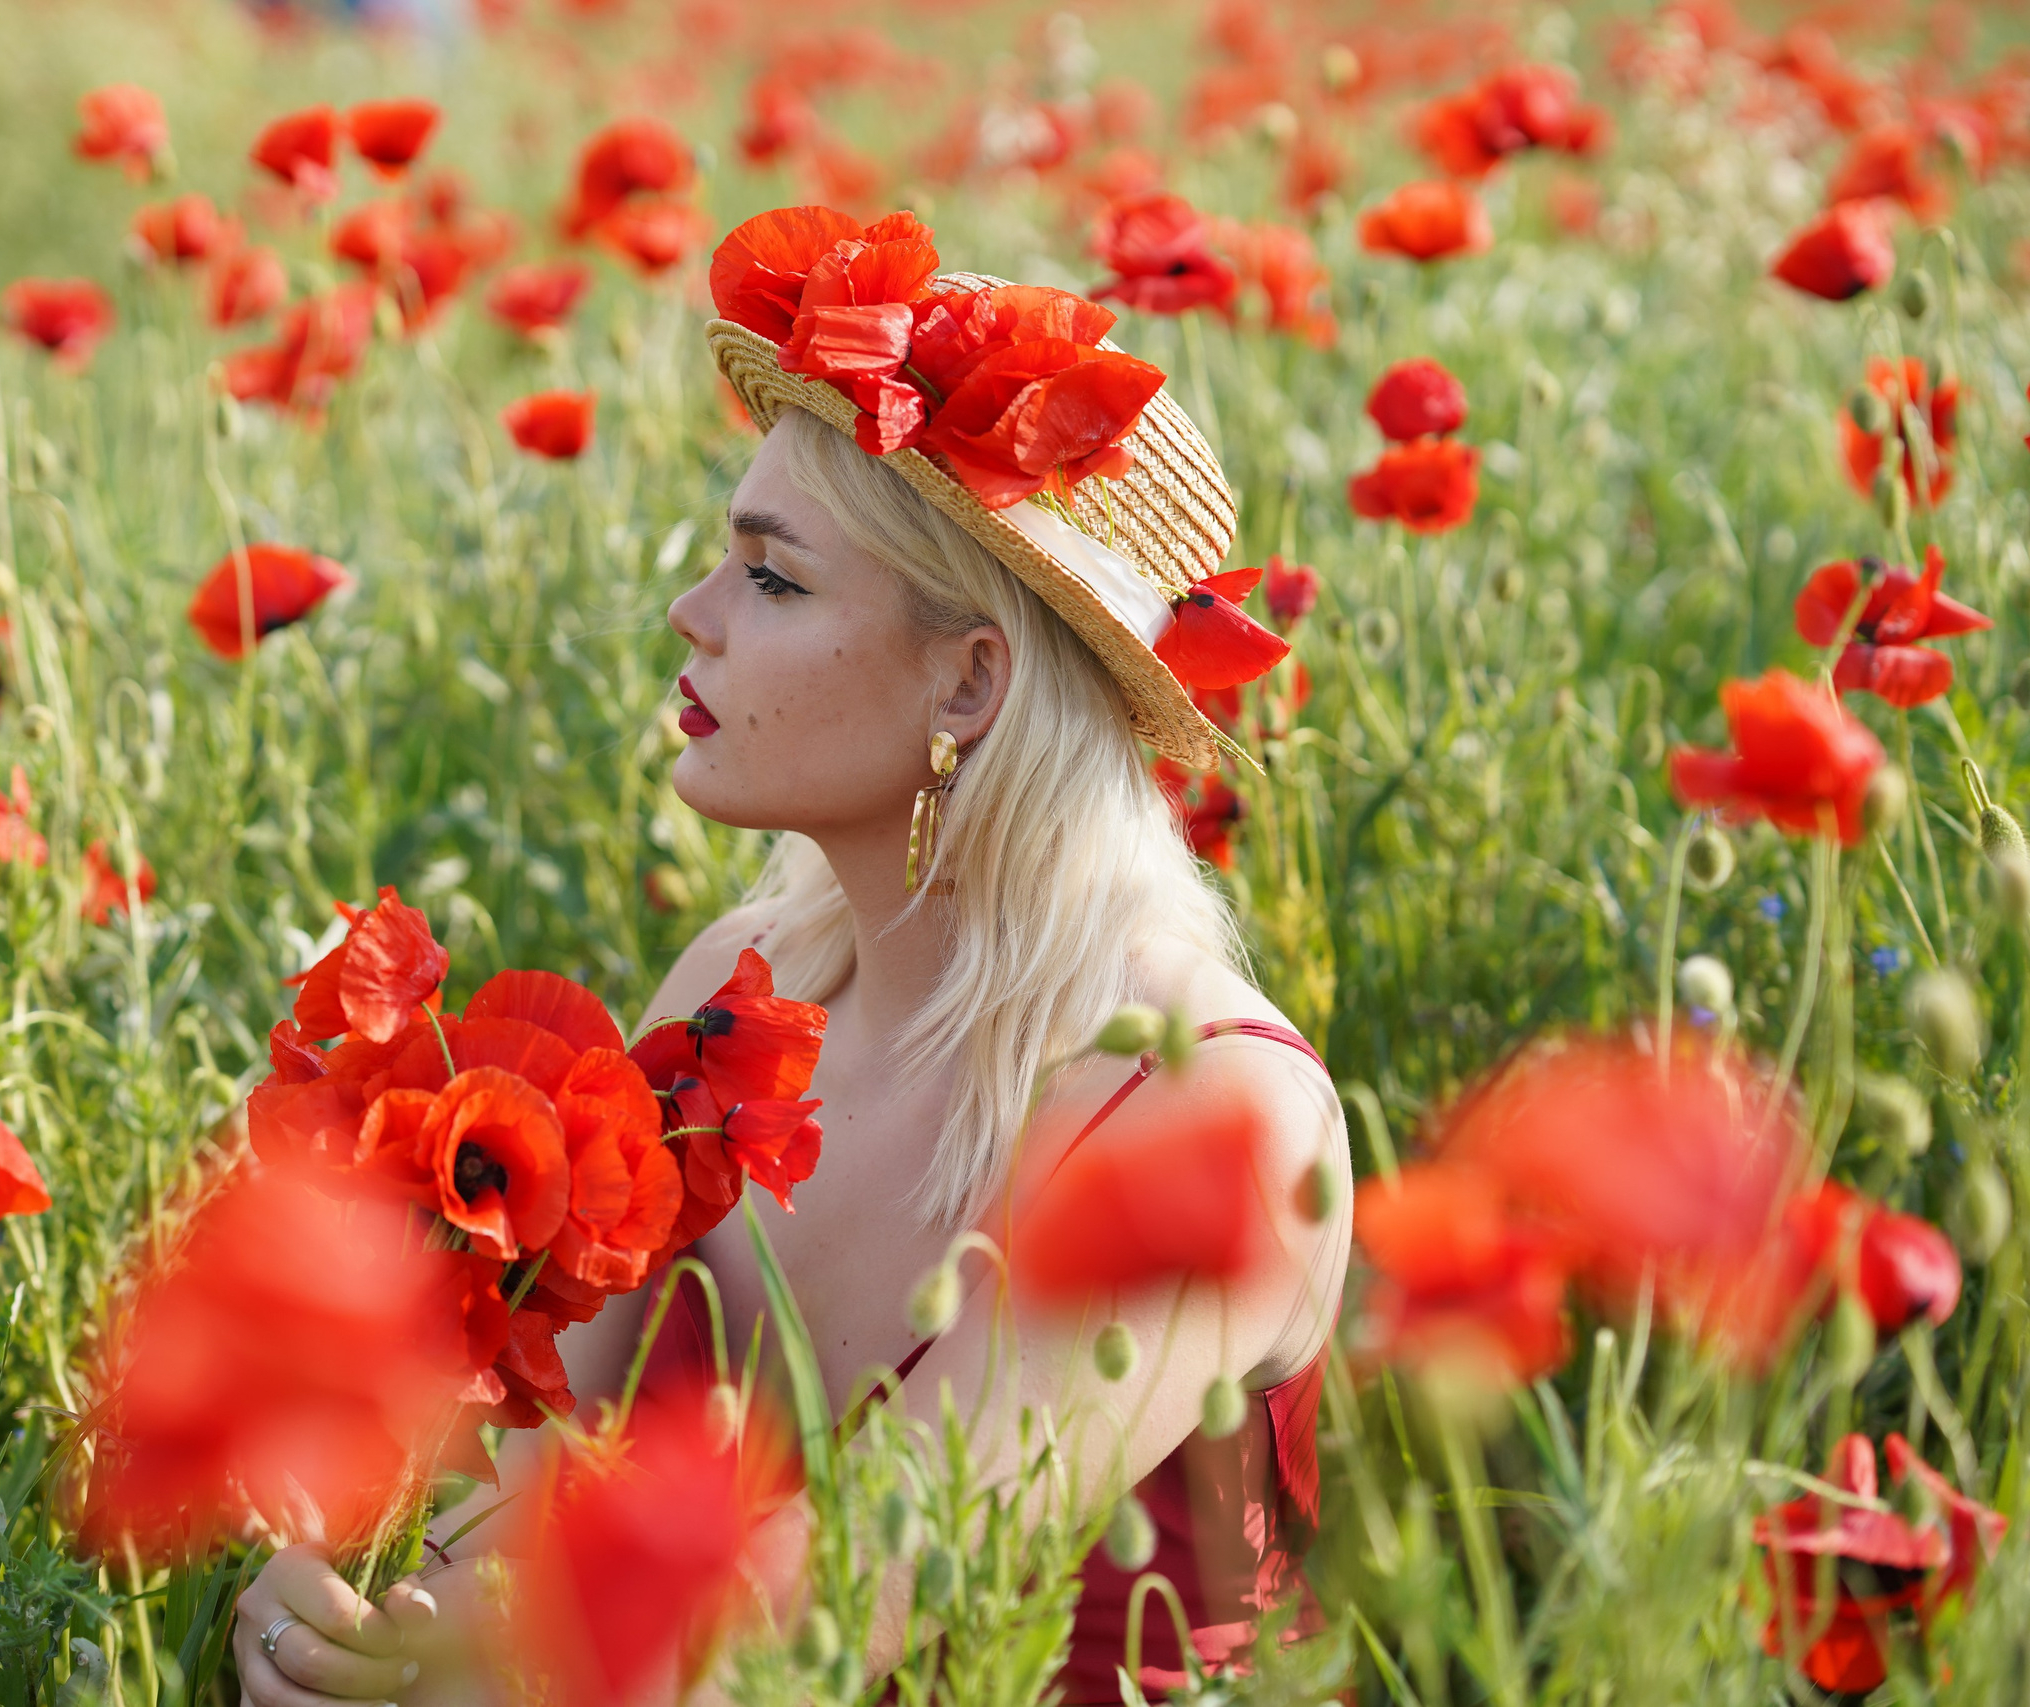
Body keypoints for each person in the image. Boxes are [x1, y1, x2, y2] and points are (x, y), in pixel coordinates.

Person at [229, 212, 1353, 1707]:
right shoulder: (739, 990)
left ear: (971, 678)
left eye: (771, 581)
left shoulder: (1207, 1120)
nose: (689, 618)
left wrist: (467, 1668)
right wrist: (344, 1627)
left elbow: (836, 1613)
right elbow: (525, 1482)